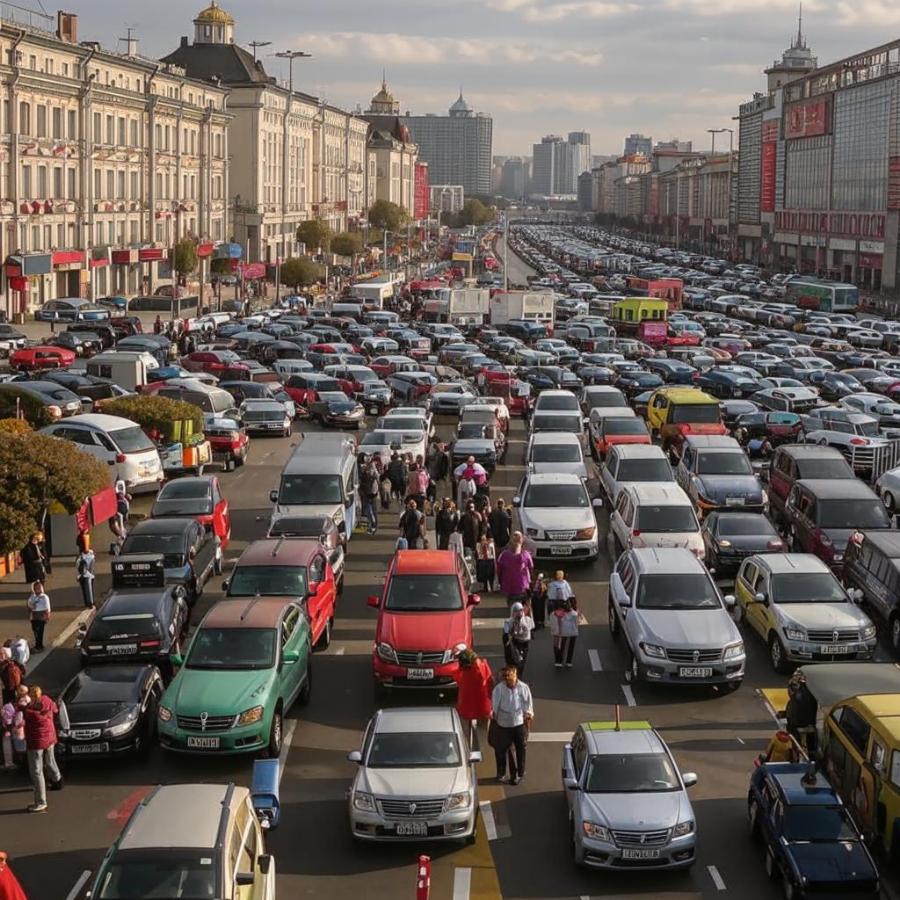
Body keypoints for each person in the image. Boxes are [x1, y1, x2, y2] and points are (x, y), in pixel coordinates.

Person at [21, 685, 63, 812]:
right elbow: (55, 709)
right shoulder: (47, 701)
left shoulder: (30, 712)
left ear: (33, 697)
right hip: (50, 738)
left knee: (36, 771)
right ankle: (57, 779)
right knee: (50, 760)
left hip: (36, 743)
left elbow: (23, 712)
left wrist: (23, 707)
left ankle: (41, 801)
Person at [490, 666, 533, 785]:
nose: (508, 679)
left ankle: (520, 773)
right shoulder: (499, 689)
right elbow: (494, 706)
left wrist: (528, 714)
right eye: (506, 676)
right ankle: (502, 773)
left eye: (510, 676)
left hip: (518, 723)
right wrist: (493, 714)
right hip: (503, 724)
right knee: (501, 750)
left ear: (515, 675)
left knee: (521, 749)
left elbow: (528, 703)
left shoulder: (523, 687)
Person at [453, 649, 493, 741]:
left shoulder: (463, 672)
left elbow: (456, 678)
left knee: (465, 732)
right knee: (483, 731)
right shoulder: (483, 666)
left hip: (466, 706)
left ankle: (467, 750)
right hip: (483, 705)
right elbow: (490, 680)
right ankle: (481, 749)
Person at [496, 532, 534, 609]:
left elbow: (499, 570)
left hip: (509, 586)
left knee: (512, 607)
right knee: (523, 608)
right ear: (522, 541)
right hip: (523, 586)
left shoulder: (504, 555)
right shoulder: (526, 555)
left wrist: (500, 582)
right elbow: (531, 568)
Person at [785, 670, 818, 756]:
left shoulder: (797, 697)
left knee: (796, 741)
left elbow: (793, 714)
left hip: (798, 724)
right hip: (811, 723)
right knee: (811, 743)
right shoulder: (812, 693)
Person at [502, 601, 534, 677]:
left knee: (521, 664)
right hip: (515, 644)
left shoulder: (527, 620)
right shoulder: (508, 622)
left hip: (525, 644)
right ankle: (512, 678)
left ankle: (518, 679)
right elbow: (506, 636)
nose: (519, 613)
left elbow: (531, 626)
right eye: (516, 611)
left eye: (520, 610)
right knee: (514, 664)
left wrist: (529, 612)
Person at [550, 598, 579, 668]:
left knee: (562, 646)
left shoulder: (557, 614)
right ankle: (569, 661)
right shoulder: (574, 614)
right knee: (571, 647)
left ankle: (559, 660)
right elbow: (577, 622)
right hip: (573, 632)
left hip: (563, 632)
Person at [358, 456, 380, 535]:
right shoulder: (374, 470)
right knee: (374, 509)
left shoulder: (364, 470)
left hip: (366, 493)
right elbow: (378, 478)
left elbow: (360, 482)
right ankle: (375, 525)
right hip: (373, 492)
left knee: (368, 509)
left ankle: (371, 525)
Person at [26, 582, 50, 653]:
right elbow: (29, 605)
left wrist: (47, 616)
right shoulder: (32, 597)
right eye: (36, 588)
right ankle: (38, 645)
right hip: (34, 615)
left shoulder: (44, 597)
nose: (38, 589)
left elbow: (47, 607)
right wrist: (30, 609)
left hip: (41, 616)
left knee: (39, 632)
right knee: (35, 631)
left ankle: (39, 646)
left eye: (39, 588)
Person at [75, 536, 96, 609]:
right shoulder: (80, 556)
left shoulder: (90, 555)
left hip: (88, 575)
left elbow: (90, 565)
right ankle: (88, 603)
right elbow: (78, 566)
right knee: (85, 589)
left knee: (89, 588)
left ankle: (90, 603)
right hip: (84, 575)